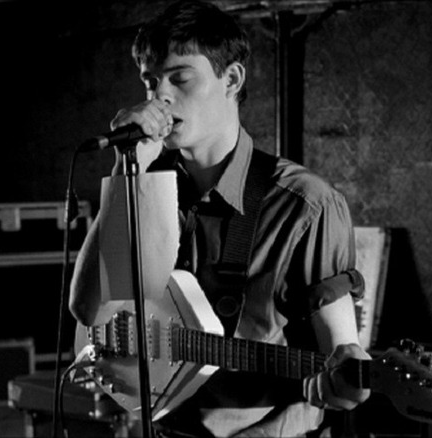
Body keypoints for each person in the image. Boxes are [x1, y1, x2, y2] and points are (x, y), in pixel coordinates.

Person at [69, 0, 370, 436]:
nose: (160, 97)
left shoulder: (306, 204)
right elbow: (88, 310)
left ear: (231, 79)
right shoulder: (143, 187)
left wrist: (344, 381)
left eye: (180, 78)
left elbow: (343, 352)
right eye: (150, 81)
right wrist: (125, 173)